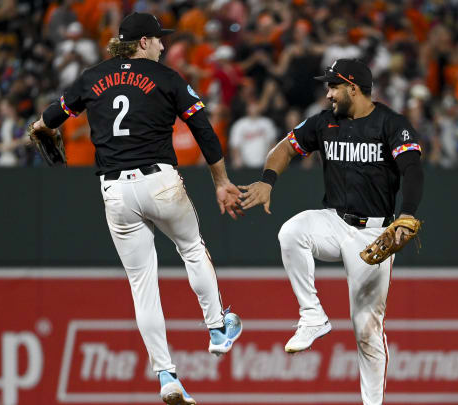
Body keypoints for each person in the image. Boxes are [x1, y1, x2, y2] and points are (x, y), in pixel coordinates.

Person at [30, 12, 243, 405]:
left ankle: (167, 377)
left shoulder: (92, 76)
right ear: (142, 42)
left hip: (115, 191)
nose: (163, 45)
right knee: (192, 249)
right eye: (157, 39)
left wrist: (41, 130)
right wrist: (221, 181)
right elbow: (203, 130)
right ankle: (216, 330)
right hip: (160, 181)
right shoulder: (166, 78)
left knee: (142, 285)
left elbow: (47, 120)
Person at [239, 59, 424, 405]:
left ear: (353, 87)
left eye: (334, 86)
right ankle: (312, 315)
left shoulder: (391, 124)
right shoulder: (326, 122)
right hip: (334, 220)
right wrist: (267, 181)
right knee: (291, 232)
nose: (328, 93)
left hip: (374, 234)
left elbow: (412, 169)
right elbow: (284, 148)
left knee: (366, 328)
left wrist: (407, 215)